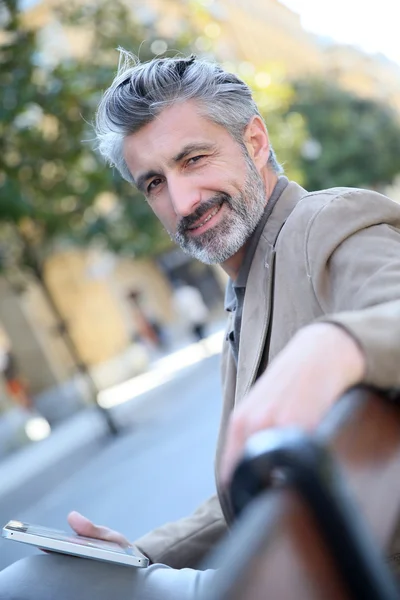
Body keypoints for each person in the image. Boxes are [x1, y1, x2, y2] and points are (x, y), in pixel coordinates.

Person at [1, 51, 400, 599]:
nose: (181, 201)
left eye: (193, 159)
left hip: (339, 578)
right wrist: (140, 553)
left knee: (32, 587)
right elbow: (252, 492)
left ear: (255, 142)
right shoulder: (249, 282)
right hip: (305, 569)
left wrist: (336, 346)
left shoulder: (326, 222)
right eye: (154, 184)